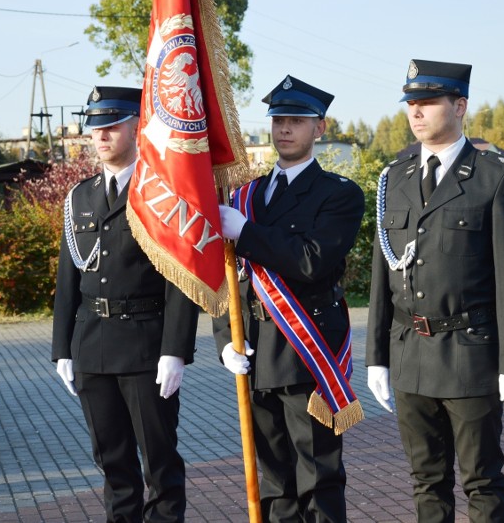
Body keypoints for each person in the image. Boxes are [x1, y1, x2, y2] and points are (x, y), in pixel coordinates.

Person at [365, 59, 504, 523]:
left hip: (469, 355)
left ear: (459, 106)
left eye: (427, 103)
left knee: (481, 481)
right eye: (411, 104)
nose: (415, 113)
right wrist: (376, 355)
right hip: (409, 356)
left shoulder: (493, 176)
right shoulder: (395, 176)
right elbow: (382, 271)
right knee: (426, 482)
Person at [216, 75, 365, 522]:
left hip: (306, 351)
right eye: (279, 119)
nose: (284, 129)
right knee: (275, 481)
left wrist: (245, 231)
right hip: (255, 350)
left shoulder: (339, 194)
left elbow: (311, 261)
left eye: (296, 120)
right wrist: (225, 336)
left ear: (319, 129)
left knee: (317, 478)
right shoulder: (248, 194)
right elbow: (230, 277)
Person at [51, 86, 199, 523]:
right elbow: (67, 279)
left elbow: (180, 279)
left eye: (112, 125)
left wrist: (175, 350)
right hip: (93, 345)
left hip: (146, 347)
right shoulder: (80, 197)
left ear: (138, 126)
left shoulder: (162, 192)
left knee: (160, 463)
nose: (101, 135)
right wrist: (62, 347)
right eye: (95, 127)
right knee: (112, 463)